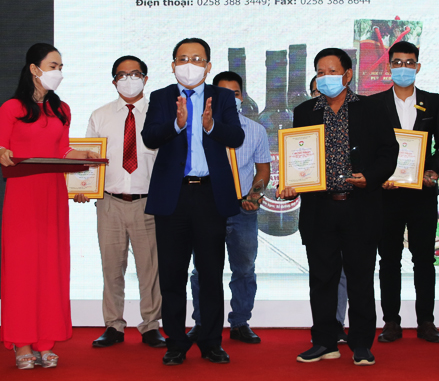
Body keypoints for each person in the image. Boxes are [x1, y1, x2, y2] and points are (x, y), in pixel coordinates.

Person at [279, 48, 398, 366]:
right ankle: (324, 342)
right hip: (320, 208)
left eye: (333, 71)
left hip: (360, 206)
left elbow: (389, 152)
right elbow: (298, 156)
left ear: (347, 75)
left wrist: (369, 177)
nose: (326, 77)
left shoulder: (371, 108)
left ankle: (361, 344)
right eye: (320, 71)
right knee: (321, 279)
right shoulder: (305, 111)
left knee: (360, 278)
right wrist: (292, 183)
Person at [0, 43, 100, 369]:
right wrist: (1, 154)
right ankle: (21, 342)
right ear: (34, 69)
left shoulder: (62, 109)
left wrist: (87, 156)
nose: (59, 72)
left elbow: (63, 152)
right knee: (22, 268)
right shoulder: (10, 108)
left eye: (61, 66)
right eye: (53, 65)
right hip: (22, 195)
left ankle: (44, 341)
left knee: (51, 267)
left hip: (53, 196)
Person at [142, 38, 245, 365]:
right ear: (173, 65)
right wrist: (178, 125)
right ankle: (175, 341)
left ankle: (212, 341)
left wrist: (210, 125)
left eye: (197, 59)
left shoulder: (223, 97)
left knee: (211, 272)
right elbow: (149, 137)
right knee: (172, 274)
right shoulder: (161, 97)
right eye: (183, 59)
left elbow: (236, 137)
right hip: (172, 196)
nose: (190, 64)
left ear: (208, 66)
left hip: (209, 194)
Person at [74, 55, 165, 349]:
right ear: (113, 81)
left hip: (148, 203)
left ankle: (151, 325)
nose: (129, 79)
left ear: (146, 79)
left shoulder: (159, 115)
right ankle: (113, 325)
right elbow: (87, 159)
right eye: (122, 75)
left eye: (135, 73)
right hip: (109, 202)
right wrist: (81, 187)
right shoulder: (100, 116)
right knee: (111, 268)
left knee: (150, 269)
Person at [371, 41, 439, 343]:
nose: (403, 67)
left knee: (424, 259)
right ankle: (391, 322)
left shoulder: (434, 101)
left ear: (417, 65)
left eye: (409, 62)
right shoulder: (373, 104)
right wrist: (378, 177)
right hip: (386, 194)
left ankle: (426, 321)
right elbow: (368, 149)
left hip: (422, 194)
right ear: (389, 66)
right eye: (397, 62)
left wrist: (434, 170)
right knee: (388, 260)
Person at [188, 71, 270, 344]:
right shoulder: (195, 129)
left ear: (242, 97)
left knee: (244, 268)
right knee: (202, 269)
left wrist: (255, 196)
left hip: (242, 208)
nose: (229, 98)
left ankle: (240, 322)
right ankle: (201, 321)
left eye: (234, 93)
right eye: (222, 93)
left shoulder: (256, 130)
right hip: (206, 206)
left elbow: (262, 171)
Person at [310, 76, 349, 344]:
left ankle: (338, 323)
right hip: (318, 208)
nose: (321, 93)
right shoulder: (304, 117)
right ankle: (323, 331)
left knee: (345, 272)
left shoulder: (353, 116)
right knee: (322, 273)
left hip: (350, 204)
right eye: (315, 90)